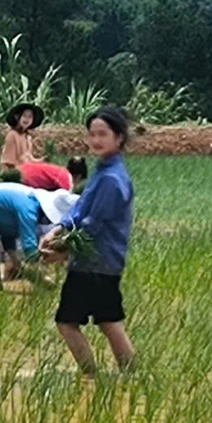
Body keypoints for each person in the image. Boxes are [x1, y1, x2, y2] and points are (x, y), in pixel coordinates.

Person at [42, 107, 135, 375]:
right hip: (101, 262)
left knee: (67, 323)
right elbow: (81, 209)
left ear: (119, 138)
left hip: (95, 262)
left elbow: (92, 226)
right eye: (92, 134)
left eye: (102, 134)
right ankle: (130, 377)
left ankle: (90, 377)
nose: (95, 140)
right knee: (108, 321)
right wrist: (58, 228)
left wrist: (63, 251)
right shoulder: (104, 171)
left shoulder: (112, 180)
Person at [0, 182, 76, 270]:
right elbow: (29, 245)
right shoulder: (29, 210)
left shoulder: (26, 206)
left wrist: (14, 258)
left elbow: (7, 232)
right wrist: (40, 271)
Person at [1, 103, 43, 170]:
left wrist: (43, 161)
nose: (26, 119)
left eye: (30, 117)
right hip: (14, 174)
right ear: (17, 117)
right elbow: (8, 162)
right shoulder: (12, 135)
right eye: (24, 116)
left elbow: (29, 158)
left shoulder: (27, 137)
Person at [19, 157, 87, 192]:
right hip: (26, 179)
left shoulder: (59, 171)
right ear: (78, 177)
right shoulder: (66, 179)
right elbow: (67, 200)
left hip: (22, 170)